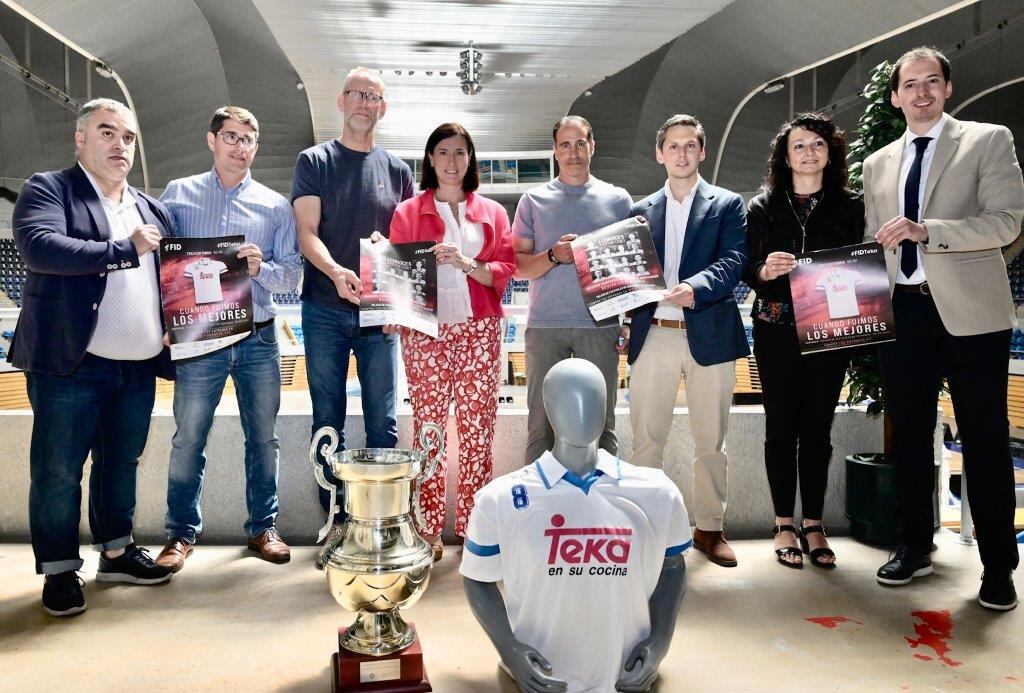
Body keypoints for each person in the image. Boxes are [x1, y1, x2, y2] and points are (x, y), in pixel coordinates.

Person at [863, 46, 1024, 610]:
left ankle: (999, 566)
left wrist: (928, 230)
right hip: (902, 312)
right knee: (907, 436)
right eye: (910, 84)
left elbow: (1006, 222)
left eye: (932, 81)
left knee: (983, 439)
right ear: (895, 96)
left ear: (948, 89)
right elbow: (871, 245)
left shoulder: (988, 140)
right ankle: (913, 547)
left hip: (971, 316)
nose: (922, 92)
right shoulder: (878, 162)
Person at [9, 98, 175, 616]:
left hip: (138, 361)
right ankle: (59, 571)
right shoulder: (50, 189)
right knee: (59, 470)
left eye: (127, 137)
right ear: (81, 139)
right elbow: (39, 247)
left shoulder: (151, 208)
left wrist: (180, 327)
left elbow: (171, 280)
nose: (119, 144)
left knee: (120, 462)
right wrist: (125, 249)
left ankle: (117, 552)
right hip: (73, 363)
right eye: (107, 133)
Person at [462, 358, 690, 692]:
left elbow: (673, 566)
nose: (581, 409)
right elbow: (477, 578)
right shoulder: (499, 500)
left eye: (593, 398)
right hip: (542, 675)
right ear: (548, 409)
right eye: (567, 399)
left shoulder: (658, 493)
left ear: (606, 405)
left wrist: (659, 643)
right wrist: (510, 651)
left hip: (624, 674)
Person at [155, 107, 301, 571]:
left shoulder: (276, 205)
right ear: (211, 140)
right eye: (231, 137)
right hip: (201, 340)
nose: (240, 147)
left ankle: (263, 527)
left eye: (248, 139)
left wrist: (265, 269)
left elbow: (294, 275)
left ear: (257, 147)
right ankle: (180, 535)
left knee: (263, 440)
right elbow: (163, 262)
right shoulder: (179, 195)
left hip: (258, 338)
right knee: (188, 439)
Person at [291, 67, 414, 567]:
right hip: (324, 308)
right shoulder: (314, 160)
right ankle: (336, 525)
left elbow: (408, 249)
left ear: (382, 109)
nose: (365, 103)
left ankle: (379, 528)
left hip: (378, 318)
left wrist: (397, 303)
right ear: (341, 101)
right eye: (357, 94)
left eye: (374, 97)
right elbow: (306, 232)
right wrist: (337, 270)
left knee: (382, 423)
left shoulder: (399, 170)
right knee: (329, 421)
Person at [624, 114, 748, 568]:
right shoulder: (638, 210)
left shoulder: (728, 204)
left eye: (689, 145)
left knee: (711, 440)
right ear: (660, 153)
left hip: (708, 331)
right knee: (646, 439)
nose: (681, 154)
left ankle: (710, 528)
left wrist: (695, 288)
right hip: (653, 333)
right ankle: (646, 524)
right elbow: (626, 271)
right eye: (672, 146)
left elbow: (735, 259)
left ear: (702, 151)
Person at [387, 122, 515, 560]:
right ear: (429, 159)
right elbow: (398, 276)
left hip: (479, 328)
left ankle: (474, 523)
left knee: (478, 428)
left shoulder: (493, 212)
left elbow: (503, 271)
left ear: (471, 159)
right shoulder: (407, 212)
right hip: (426, 332)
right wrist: (391, 309)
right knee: (429, 429)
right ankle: (426, 528)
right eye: (443, 152)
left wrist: (466, 262)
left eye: (461, 153)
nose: (452, 161)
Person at [744, 113, 865, 569]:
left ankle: (813, 523)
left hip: (830, 332)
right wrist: (764, 271)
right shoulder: (763, 207)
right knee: (780, 429)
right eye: (799, 145)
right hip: (775, 329)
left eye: (817, 144)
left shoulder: (850, 206)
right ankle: (783, 523)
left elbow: (861, 269)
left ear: (830, 152)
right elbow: (746, 268)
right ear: (785, 155)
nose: (809, 152)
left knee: (818, 429)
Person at [512, 116, 632, 465]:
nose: (573, 152)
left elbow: (630, 272)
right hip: (545, 326)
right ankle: (539, 509)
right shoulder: (533, 200)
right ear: (555, 151)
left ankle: (604, 505)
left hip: (600, 325)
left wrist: (629, 322)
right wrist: (554, 255)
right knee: (541, 426)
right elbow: (518, 266)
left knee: (602, 424)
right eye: (565, 144)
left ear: (593, 147)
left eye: (580, 143)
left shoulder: (618, 200)